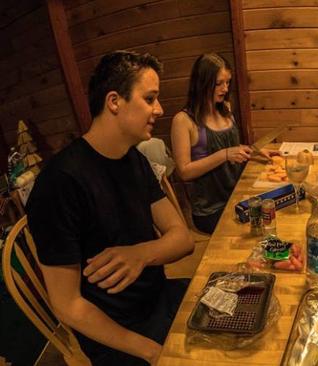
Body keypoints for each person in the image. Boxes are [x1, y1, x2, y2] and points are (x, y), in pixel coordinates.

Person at [26, 51, 194, 365]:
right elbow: (67, 305)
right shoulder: (59, 183)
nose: (159, 109)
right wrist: (152, 351)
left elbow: (182, 240)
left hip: (160, 299)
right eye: (150, 98)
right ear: (114, 101)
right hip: (118, 335)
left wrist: (141, 254)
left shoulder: (135, 159)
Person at [171, 53, 275, 234]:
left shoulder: (225, 109)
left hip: (237, 195)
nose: (225, 88)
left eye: (228, 82)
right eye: (219, 83)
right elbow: (184, 172)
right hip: (210, 209)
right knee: (259, 227)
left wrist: (254, 151)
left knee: (275, 207)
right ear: (202, 82)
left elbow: (232, 148)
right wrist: (225, 154)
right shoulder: (183, 120)